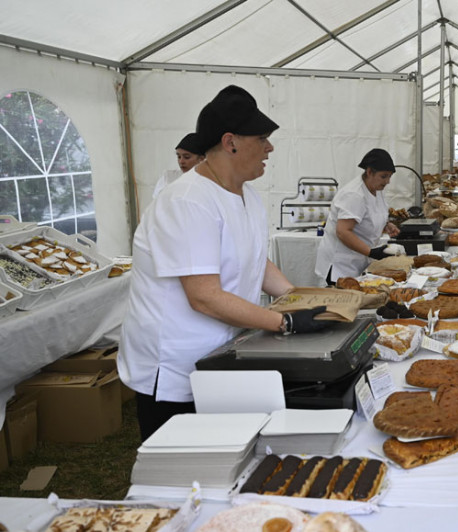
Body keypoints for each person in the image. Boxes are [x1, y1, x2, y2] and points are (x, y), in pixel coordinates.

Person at [119, 85, 329, 442]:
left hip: (222, 352)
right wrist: (286, 321)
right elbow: (204, 296)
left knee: (231, 450)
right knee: (183, 471)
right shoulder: (188, 201)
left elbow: (254, 262)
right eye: (262, 138)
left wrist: (303, 299)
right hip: (177, 363)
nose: (270, 148)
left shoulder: (246, 194)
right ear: (230, 142)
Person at [314, 149, 401, 283]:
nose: (388, 181)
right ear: (369, 172)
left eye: (390, 176)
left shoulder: (376, 189)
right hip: (341, 264)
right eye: (384, 176)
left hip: (358, 261)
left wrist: (386, 224)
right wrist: (371, 252)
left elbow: (371, 213)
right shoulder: (354, 195)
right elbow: (343, 232)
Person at [151, 133, 205, 199]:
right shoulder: (168, 178)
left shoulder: (208, 181)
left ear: (201, 159)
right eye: (179, 156)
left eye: (186, 157)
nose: (181, 161)